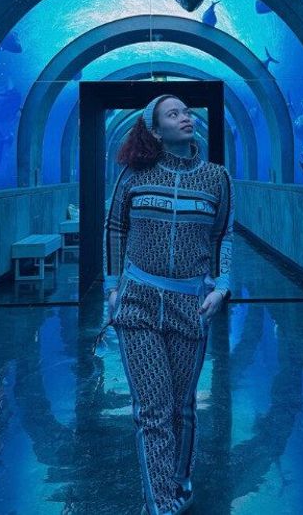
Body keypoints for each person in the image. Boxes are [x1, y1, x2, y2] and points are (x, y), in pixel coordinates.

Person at [101, 93, 234, 515]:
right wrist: (112, 286)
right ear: (156, 131)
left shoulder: (216, 178)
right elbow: (115, 226)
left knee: (181, 405)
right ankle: (159, 502)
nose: (185, 117)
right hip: (138, 301)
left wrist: (222, 286)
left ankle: (179, 479)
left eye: (186, 111)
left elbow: (223, 235)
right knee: (153, 408)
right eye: (173, 114)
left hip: (190, 303)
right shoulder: (135, 174)